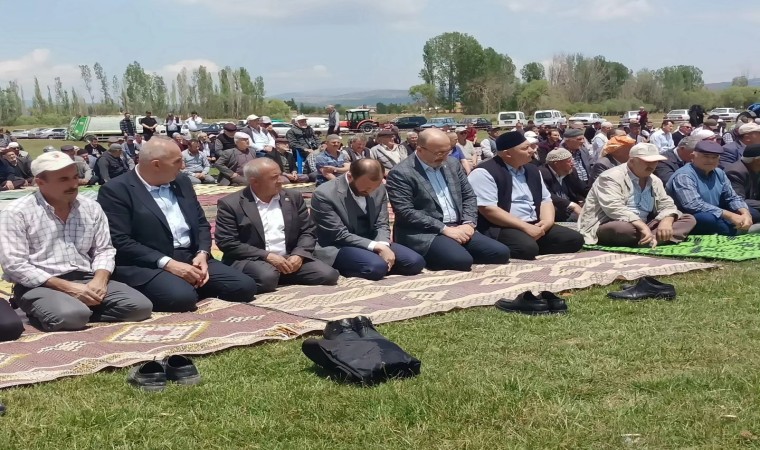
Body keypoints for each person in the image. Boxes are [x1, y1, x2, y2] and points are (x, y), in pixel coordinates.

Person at [96, 136, 257, 312]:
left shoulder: (181, 182)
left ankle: (189, 283)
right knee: (181, 298)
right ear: (156, 164)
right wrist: (168, 264)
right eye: (177, 161)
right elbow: (120, 240)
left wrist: (202, 253)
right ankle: (182, 286)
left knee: (244, 287)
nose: (183, 166)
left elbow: (201, 223)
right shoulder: (117, 189)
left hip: (190, 256)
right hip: (149, 262)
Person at [0, 152, 152, 331]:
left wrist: (100, 280)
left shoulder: (90, 207)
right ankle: (69, 311)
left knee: (140, 307)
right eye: (63, 179)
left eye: (75, 177)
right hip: (42, 284)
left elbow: (104, 250)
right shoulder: (17, 213)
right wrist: (67, 287)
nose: (73, 184)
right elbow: (15, 264)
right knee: (71, 316)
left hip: (86, 278)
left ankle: (78, 310)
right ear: (40, 182)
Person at [386, 128, 510, 271]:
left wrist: (468, 223)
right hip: (426, 232)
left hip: (459, 226)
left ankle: (452, 249)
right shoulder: (401, 173)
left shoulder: (452, 164)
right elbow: (406, 212)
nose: (445, 157)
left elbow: (469, 195)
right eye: (439, 153)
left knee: (500, 253)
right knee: (461, 261)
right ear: (420, 150)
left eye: (448, 151)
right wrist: (444, 229)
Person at [215, 158, 339, 293]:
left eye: (280, 175)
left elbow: (308, 231)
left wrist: (299, 254)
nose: (281, 180)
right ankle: (273, 275)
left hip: (289, 257)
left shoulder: (293, 197)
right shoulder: (231, 204)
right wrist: (267, 256)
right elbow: (227, 242)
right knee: (267, 277)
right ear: (254, 181)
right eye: (274, 177)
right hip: (253, 259)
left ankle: (281, 273)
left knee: (328, 275)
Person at [467, 132, 584, 260]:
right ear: (507, 153)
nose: (532, 150)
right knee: (526, 248)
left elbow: (545, 200)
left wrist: (547, 222)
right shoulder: (484, 172)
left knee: (574, 239)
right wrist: (525, 227)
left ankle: (532, 245)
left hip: (535, 223)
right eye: (525, 148)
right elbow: (488, 209)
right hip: (502, 226)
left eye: (531, 146)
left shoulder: (532, 170)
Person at [311, 159, 425, 280]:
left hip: (371, 239)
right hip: (338, 245)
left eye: (374, 188)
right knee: (376, 267)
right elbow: (338, 234)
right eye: (365, 189)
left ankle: (373, 262)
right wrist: (377, 247)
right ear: (350, 176)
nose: (370, 192)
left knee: (415, 262)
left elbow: (382, 223)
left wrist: (383, 245)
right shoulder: (325, 194)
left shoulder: (378, 188)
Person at [578, 143, 696, 246]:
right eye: (647, 162)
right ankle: (657, 237)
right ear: (632, 161)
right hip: (614, 222)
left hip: (645, 224)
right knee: (623, 229)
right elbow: (614, 208)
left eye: (655, 161)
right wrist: (642, 227)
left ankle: (649, 238)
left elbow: (666, 204)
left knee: (688, 219)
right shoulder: (610, 177)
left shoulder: (654, 180)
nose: (652, 165)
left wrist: (667, 220)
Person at [668, 140, 753, 236]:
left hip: (716, 212)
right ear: (692, 156)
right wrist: (730, 216)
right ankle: (735, 230)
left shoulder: (719, 173)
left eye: (714, 157)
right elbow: (693, 205)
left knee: (750, 211)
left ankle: (737, 226)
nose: (711, 161)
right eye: (706, 156)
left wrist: (745, 213)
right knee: (707, 219)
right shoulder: (684, 175)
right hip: (690, 216)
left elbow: (732, 197)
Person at [539, 148, 588, 222]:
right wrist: (571, 205)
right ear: (557, 164)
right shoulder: (542, 174)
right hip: (556, 213)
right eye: (569, 161)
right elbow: (547, 195)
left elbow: (583, 188)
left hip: (571, 209)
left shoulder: (571, 171)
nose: (572, 163)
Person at [724, 144, 760, 223]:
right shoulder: (735, 172)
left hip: (752, 203)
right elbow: (738, 200)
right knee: (755, 214)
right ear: (757, 160)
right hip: (736, 207)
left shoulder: (756, 168)